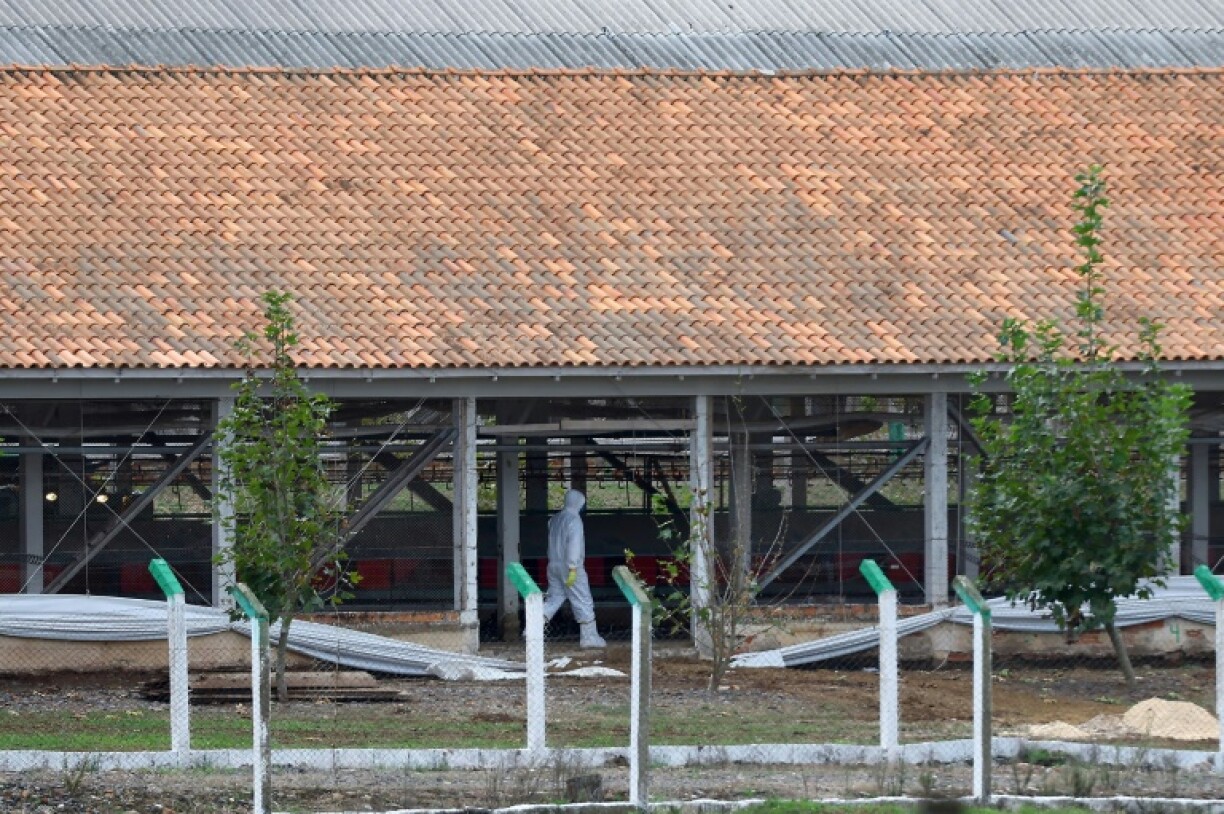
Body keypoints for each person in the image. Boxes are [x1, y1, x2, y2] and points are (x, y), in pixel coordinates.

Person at [542, 489, 606, 648]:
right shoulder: (574, 520)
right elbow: (574, 545)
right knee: (582, 599)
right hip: (569, 567)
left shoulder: (555, 518)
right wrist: (572, 567)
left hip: (553, 565)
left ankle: (531, 629)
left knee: (554, 598)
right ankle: (589, 637)